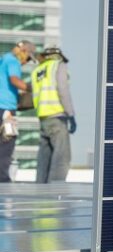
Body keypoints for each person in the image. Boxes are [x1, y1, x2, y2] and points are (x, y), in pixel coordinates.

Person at [32, 47, 76, 183]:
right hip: (57, 116)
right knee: (61, 157)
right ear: (57, 56)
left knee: (44, 158)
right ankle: (55, 189)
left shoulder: (38, 71)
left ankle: (41, 189)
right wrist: (71, 115)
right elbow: (62, 90)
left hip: (43, 117)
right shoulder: (58, 66)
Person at [0, 41, 35, 182]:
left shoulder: (3, 59)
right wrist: (33, 88)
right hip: (6, 108)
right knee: (7, 141)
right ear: (24, 51)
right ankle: (2, 178)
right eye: (27, 58)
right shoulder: (13, 61)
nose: (25, 62)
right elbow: (14, 80)